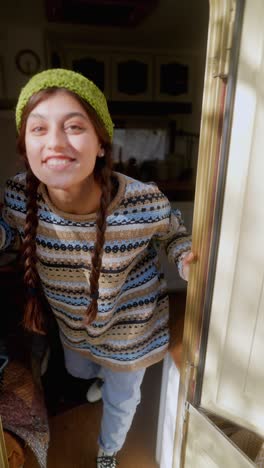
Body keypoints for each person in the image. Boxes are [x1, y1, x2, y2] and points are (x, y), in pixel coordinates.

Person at [0, 68, 194, 468]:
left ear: (102, 144)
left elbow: (175, 234)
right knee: (80, 369)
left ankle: (108, 451)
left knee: (123, 399)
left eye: (73, 127)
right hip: (74, 326)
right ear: (25, 146)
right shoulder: (19, 196)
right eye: (38, 129)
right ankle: (101, 377)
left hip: (131, 331)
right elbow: (5, 228)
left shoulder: (143, 202)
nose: (55, 141)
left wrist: (184, 256)